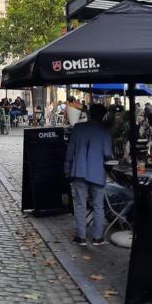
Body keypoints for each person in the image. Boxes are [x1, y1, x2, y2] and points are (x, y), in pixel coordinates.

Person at [64, 103, 112, 247]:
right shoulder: (105, 131)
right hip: (97, 172)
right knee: (98, 206)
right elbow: (107, 154)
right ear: (103, 116)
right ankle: (97, 238)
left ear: (90, 114)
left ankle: (81, 237)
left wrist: (67, 167)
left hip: (79, 170)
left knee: (80, 205)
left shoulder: (78, 128)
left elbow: (70, 150)